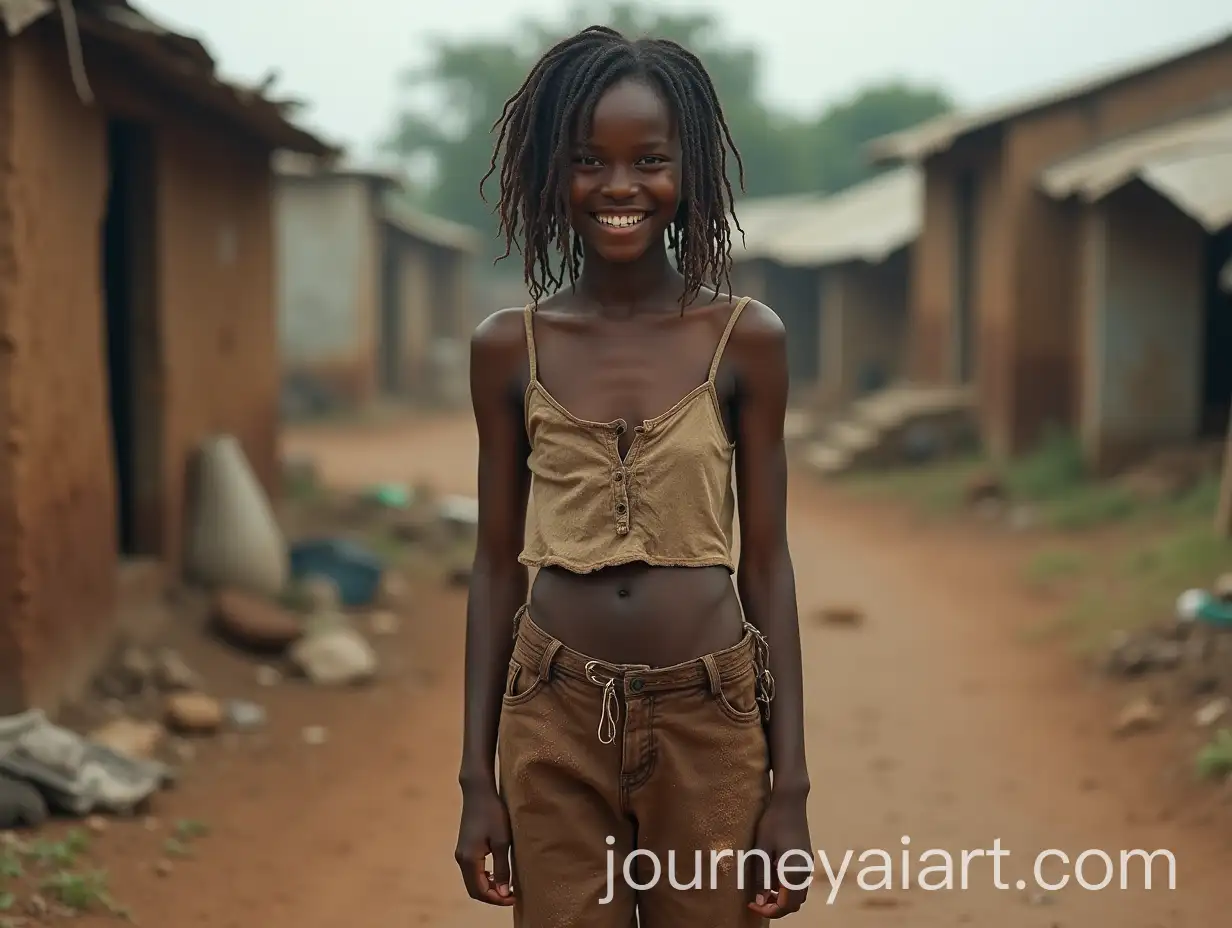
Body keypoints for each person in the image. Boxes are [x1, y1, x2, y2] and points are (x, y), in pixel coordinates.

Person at [455, 23, 811, 927]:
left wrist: (790, 791)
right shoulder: (510, 347)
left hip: (711, 714)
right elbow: (497, 566)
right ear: (551, 175)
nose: (620, 187)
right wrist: (476, 780)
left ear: (687, 173)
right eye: (588, 161)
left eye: (648, 159)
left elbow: (766, 562)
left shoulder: (747, 339)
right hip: (553, 714)